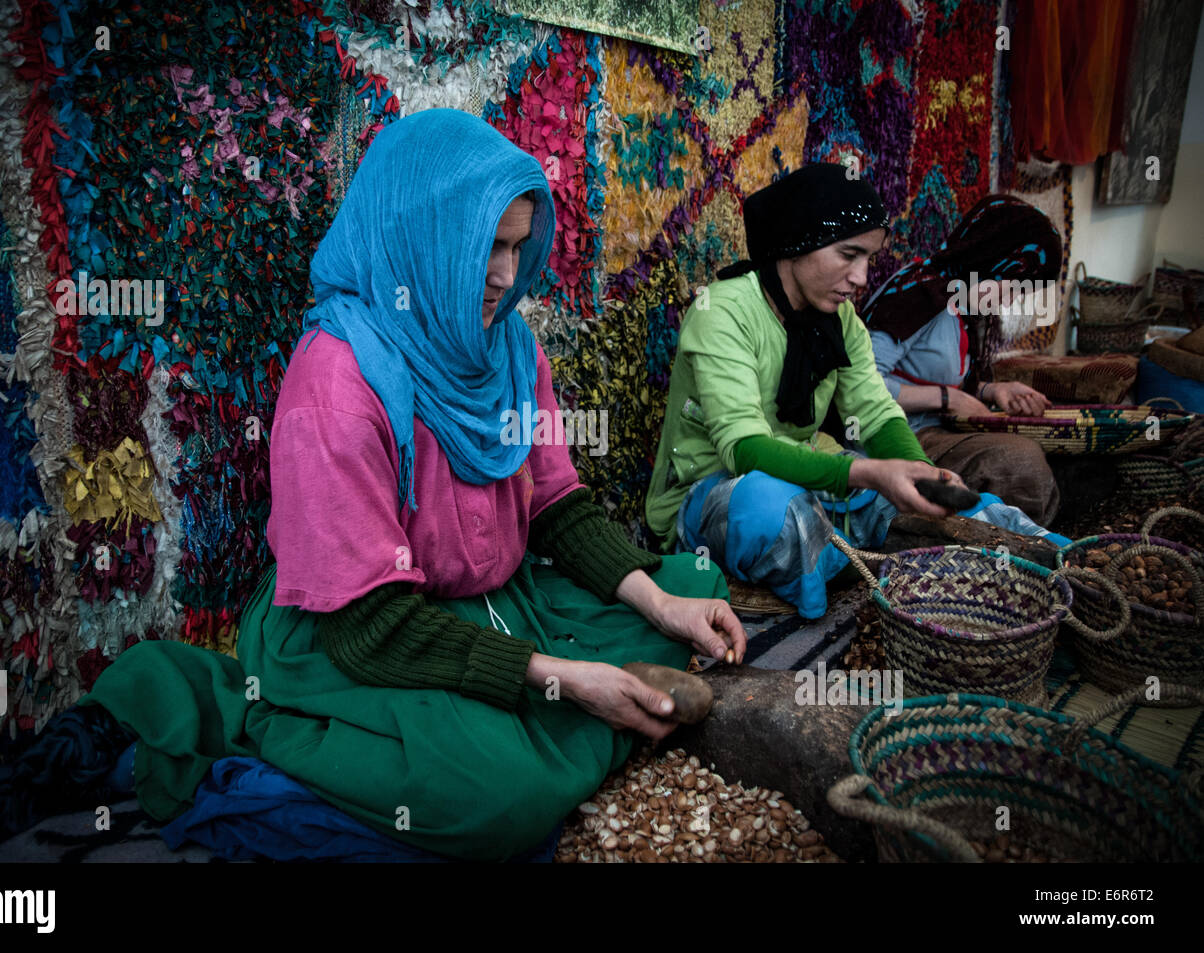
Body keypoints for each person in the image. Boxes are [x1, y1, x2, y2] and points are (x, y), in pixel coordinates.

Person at [72, 109, 747, 862]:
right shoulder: (335, 385)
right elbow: (371, 626)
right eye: (488, 247)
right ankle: (267, 747)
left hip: (499, 597)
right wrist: (562, 679)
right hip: (359, 633)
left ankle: (578, 702)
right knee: (497, 790)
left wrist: (662, 603)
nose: (504, 276)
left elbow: (557, 505)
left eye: (519, 247)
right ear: (421, 237)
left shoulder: (509, 348)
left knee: (686, 587)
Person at [644, 165, 1060, 621]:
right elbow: (743, 450)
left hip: (809, 477)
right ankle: (845, 561)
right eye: (849, 255)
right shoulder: (722, 311)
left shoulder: (839, 322)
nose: (862, 277)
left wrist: (920, 472)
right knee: (769, 509)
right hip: (715, 490)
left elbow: (877, 413)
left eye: (868, 259)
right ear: (797, 243)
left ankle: (1059, 563)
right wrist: (872, 474)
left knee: (945, 507)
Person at [860, 194, 1063, 526]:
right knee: (1020, 462)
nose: (1011, 302)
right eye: (1014, 287)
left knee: (1050, 454)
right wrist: (947, 399)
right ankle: (1010, 549)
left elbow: (937, 372)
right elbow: (858, 382)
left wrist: (991, 391)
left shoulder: (962, 306)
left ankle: (1013, 538)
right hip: (892, 439)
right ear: (993, 260)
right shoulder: (918, 294)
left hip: (936, 431)